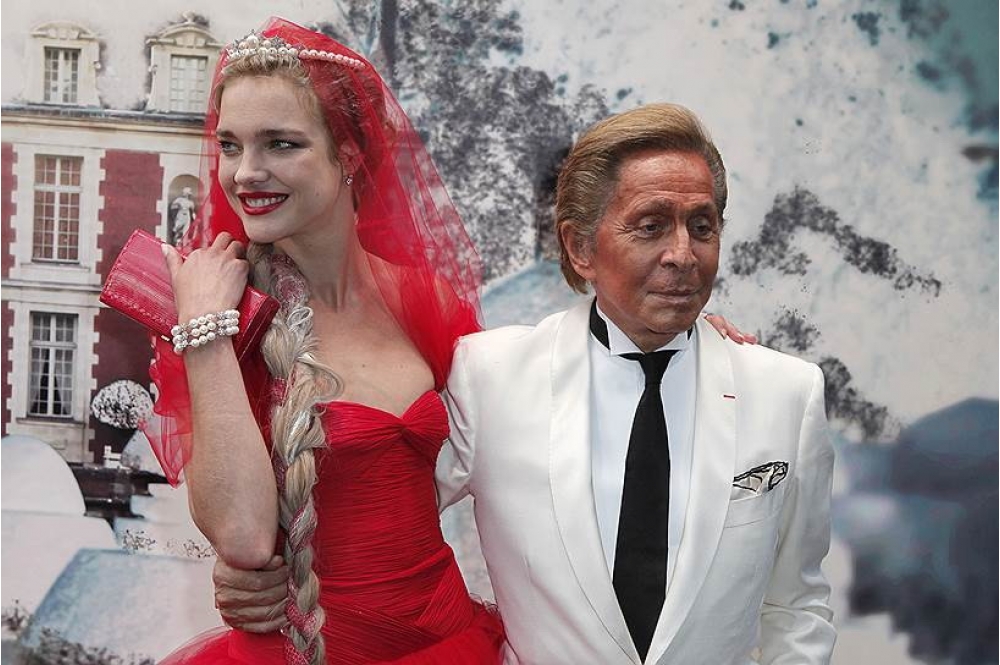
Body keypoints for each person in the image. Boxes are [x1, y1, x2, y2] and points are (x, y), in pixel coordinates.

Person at [215, 103, 836, 664]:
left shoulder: (787, 394)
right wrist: (262, 571)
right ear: (580, 247)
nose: (683, 254)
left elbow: (797, 604)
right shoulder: (488, 376)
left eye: (702, 227)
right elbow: (371, 514)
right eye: (650, 226)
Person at [149, 17, 506, 664]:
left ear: (350, 154)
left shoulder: (424, 299)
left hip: (450, 639)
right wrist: (205, 332)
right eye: (230, 145)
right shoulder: (220, 310)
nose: (245, 172)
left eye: (280, 144)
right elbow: (243, 538)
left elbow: (502, 449)